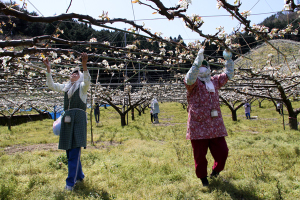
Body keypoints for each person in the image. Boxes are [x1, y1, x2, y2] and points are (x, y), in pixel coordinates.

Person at [184, 48, 234, 187]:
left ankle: (216, 172)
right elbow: (189, 78)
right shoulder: (193, 84)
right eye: (200, 66)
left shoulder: (214, 81)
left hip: (215, 125)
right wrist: (196, 64)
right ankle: (203, 179)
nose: (202, 69)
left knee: (223, 152)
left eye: (204, 66)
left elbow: (228, 74)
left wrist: (229, 59)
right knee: (200, 157)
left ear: (209, 68)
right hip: (198, 125)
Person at [43, 53, 91, 191]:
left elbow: (87, 81)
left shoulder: (82, 88)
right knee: (70, 151)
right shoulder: (67, 87)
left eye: (77, 72)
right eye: (73, 72)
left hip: (78, 121)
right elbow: (51, 85)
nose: (74, 73)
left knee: (74, 150)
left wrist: (84, 65)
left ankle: (70, 183)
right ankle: (80, 176)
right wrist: (48, 69)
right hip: (68, 120)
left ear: (80, 76)